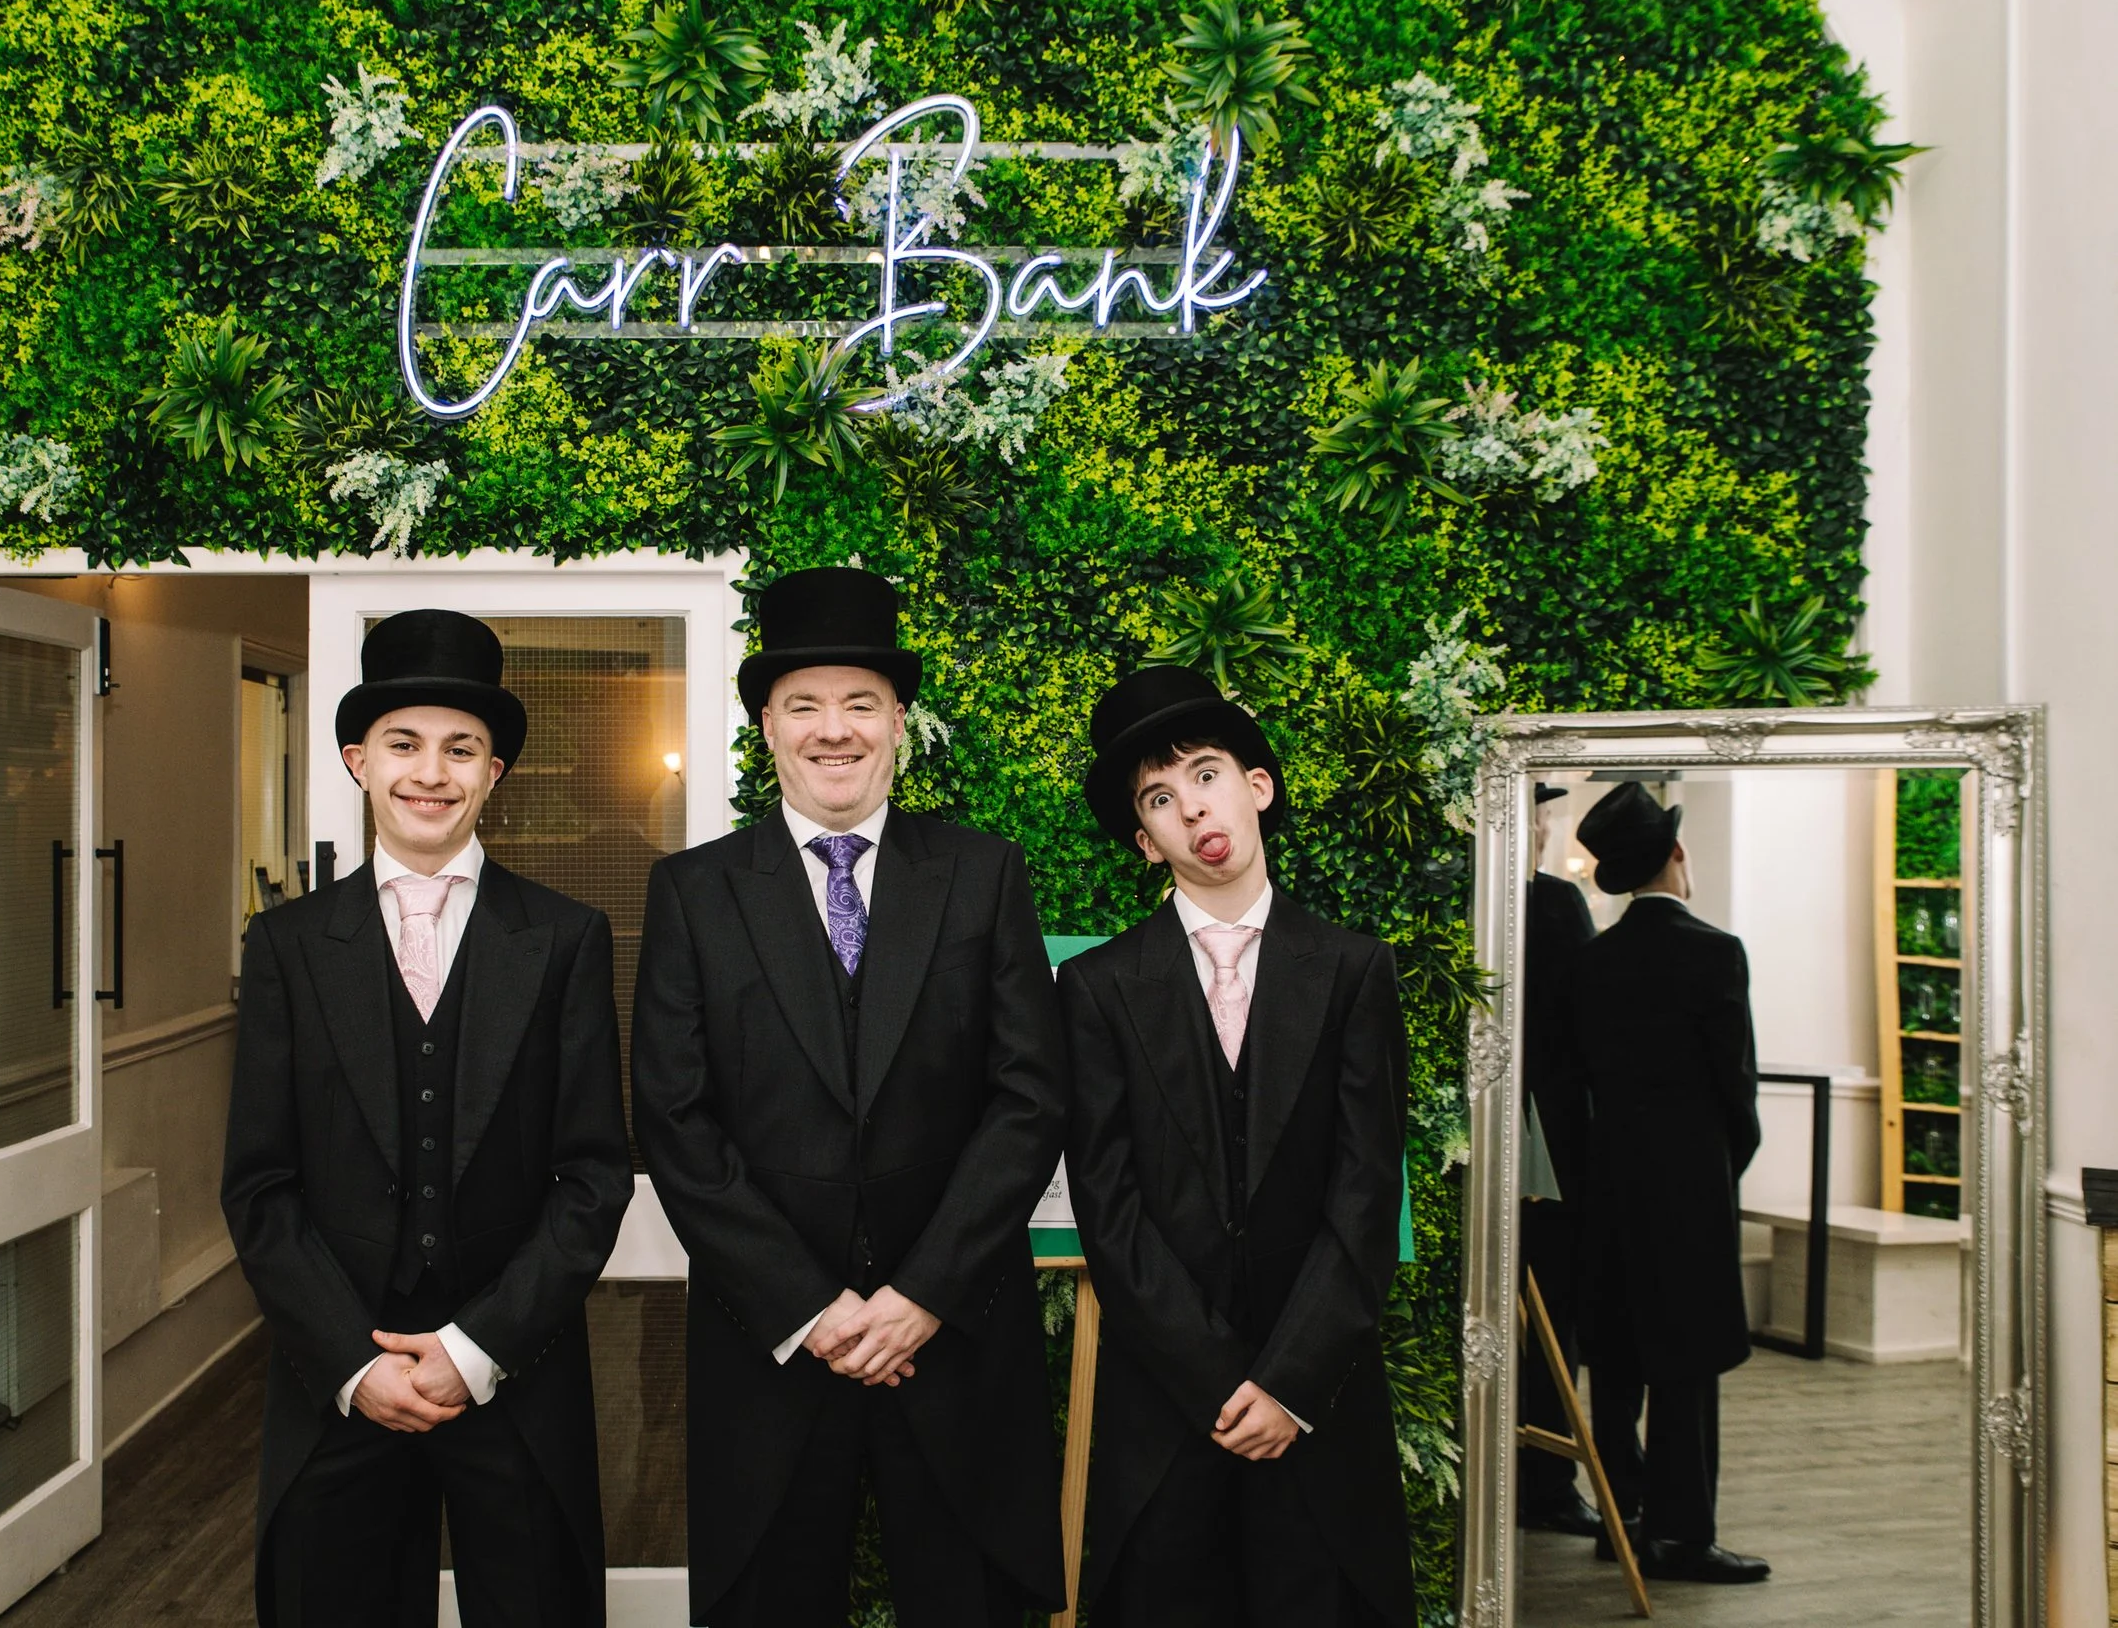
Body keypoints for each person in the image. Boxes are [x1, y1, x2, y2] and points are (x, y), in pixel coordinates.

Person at [632, 566, 1067, 1628]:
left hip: (955, 1343)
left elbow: (1029, 1097)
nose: (835, 730)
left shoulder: (983, 874)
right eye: (805, 705)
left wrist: (921, 1295)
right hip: (772, 1350)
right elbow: (676, 1121)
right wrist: (810, 1308)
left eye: (861, 703)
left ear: (898, 723)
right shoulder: (694, 892)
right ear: (766, 728)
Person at [222, 608, 633, 1626]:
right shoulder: (286, 945)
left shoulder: (564, 937)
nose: (431, 772)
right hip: (339, 1379)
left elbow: (592, 1176)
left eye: (461, 748)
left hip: (514, 1370)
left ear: (494, 773)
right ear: (358, 761)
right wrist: (354, 1364)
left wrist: (476, 1347)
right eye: (404, 744)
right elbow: (261, 1187)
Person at [1057, 664, 1416, 1628]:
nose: (1192, 808)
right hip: (1169, 1409)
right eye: (1159, 799)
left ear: (1258, 786)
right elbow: (1109, 1206)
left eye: (1207, 774)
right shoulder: (1097, 988)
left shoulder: (1353, 969)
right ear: (1146, 842)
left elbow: (1365, 1193)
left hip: (1319, 1405)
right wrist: (1220, 1382)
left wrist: (1288, 1384)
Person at [1569, 781, 1770, 1585]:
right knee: (1686, 1366)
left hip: (1609, 1181)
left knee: (1617, 1358)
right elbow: (1737, 1088)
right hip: (1688, 1187)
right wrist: (1720, 1166)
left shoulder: (1591, 963)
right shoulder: (1716, 952)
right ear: (1677, 854)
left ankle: (1621, 1517)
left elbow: (1580, 1079)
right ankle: (1681, 1535)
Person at [1517, 784, 1602, 1536]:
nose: (1546, 827)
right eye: (1542, 813)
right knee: (1553, 1308)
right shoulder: (1553, 902)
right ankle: (1545, 1481)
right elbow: (1586, 1028)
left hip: (1500, 1135)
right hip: (1549, 1145)